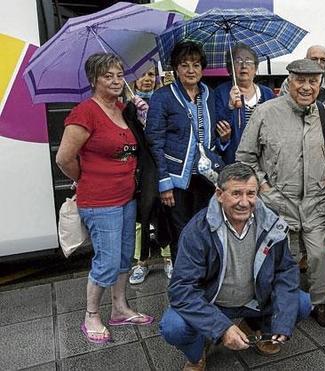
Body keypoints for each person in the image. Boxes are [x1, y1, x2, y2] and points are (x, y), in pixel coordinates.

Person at [160, 163, 311, 369]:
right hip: (212, 302)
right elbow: (181, 290)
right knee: (173, 326)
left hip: (254, 300)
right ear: (220, 194)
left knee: (301, 304)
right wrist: (221, 327)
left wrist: (282, 321)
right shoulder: (197, 230)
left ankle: (253, 328)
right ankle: (196, 355)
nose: (244, 202)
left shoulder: (271, 223)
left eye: (251, 193)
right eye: (236, 193)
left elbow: (285, 270)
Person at [55, 53, 155, 345]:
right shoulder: (85, 112)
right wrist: (84, 178)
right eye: (107, 75)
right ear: (93, 79)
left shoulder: (123, 109)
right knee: (108, 261)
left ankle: (120, 309)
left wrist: (141, 114)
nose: (115, 80)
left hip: (126, 197)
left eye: (118, 74)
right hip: (100, 202)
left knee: (125, 256)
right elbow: (64, 158)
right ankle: (91, 315)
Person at [237, 59, 325, 327]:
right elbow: (245, 156)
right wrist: (263, 186)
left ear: (320, 84)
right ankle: (284, 304)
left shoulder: (323, 113)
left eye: (313, 81)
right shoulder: (265, 112)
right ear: (289, 80)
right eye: (301, 80)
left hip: (316, 199)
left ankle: (320, 302)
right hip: (278, 199)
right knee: (287, 256)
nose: (307, 87)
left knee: (319, 254)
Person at [145, 41, 224, 269]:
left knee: (205, 228)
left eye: (196, 65)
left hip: (206, 178)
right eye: (185, 65)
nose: (191, 70)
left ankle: (203, 278)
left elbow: (211, 137)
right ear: (176, 69)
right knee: (181, 234)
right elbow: (154, 141)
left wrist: (224, 138)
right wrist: (164, 183)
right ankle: (184, 286)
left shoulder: (208, 94)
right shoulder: (163, 96)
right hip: (177, 180)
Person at [125, 65, 173, 285]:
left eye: (151, 74)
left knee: (165, 213)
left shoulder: (163, 103)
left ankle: (168, 258)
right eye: (141, 75)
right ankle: (141, 262)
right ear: (133, 80)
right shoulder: (127, 108)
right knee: (140, 217)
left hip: (162, 167)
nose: (146, 79)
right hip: (138, 170)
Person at [214, 43, 275, 164]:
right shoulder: (221, 92)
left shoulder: (267, 94)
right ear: (230, 69)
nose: (243, 65)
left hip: (262, 160)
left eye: (248, 61)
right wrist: (230, 106)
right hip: (233, 160)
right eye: (238, 61)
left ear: (256, 68)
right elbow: (219, 127)